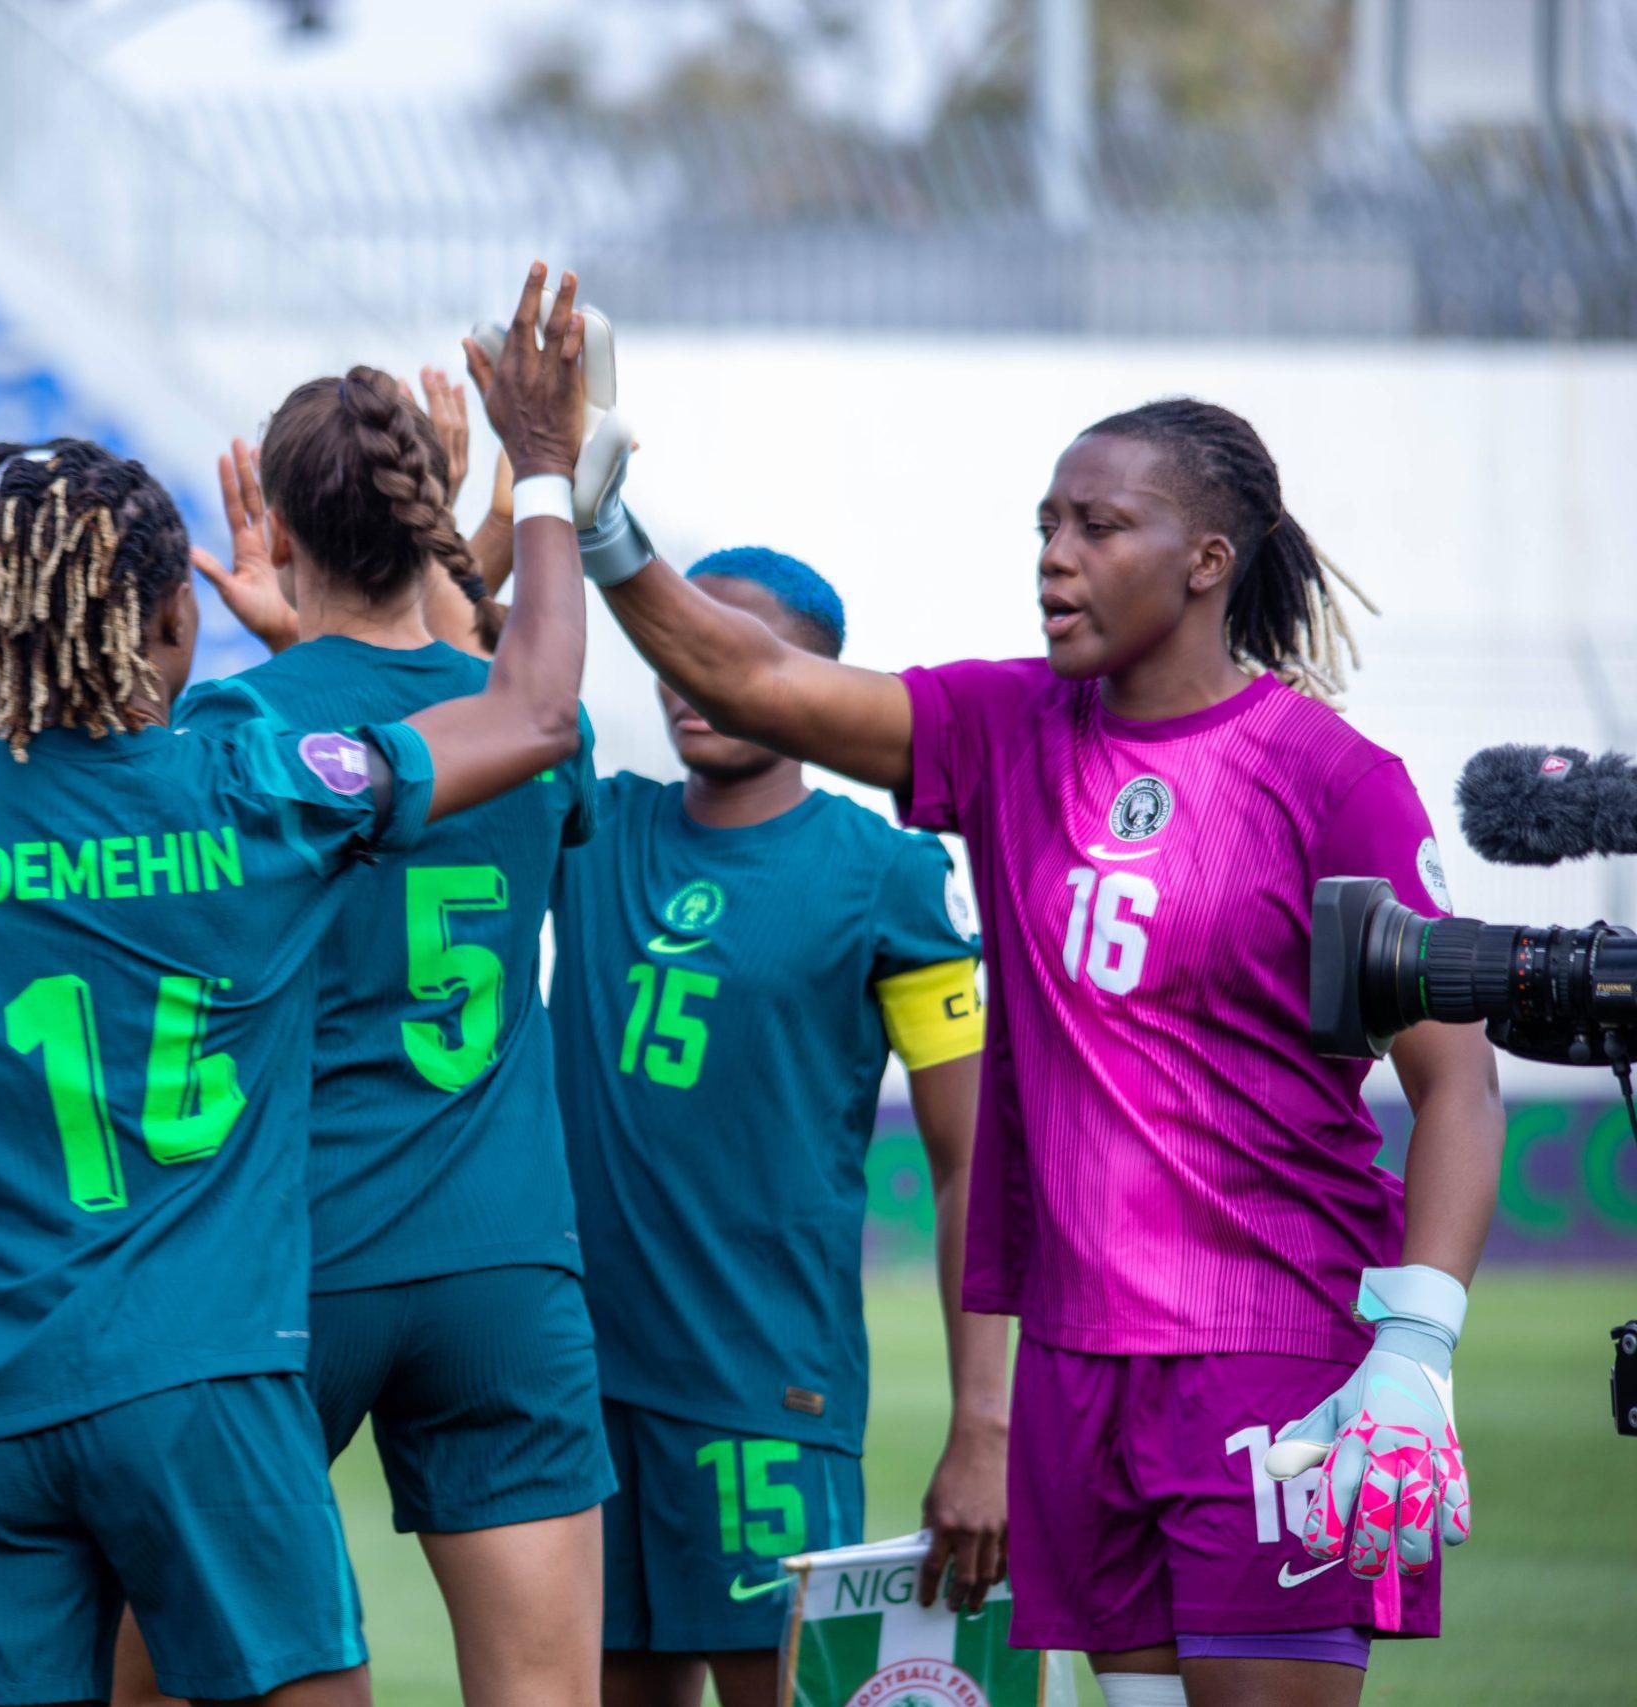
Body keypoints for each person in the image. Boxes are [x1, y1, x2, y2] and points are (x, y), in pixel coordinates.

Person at [0, 262, 596, 1707]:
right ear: (167, 623)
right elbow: (533, 709)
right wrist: (542, 477)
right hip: (206, 1376)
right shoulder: (246, 778)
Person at [580, 399, 1505, 1707]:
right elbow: (757, 682)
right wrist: (606, 528)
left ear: (1206, 561)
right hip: (1078, 1364)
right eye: (1046, 526)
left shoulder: (1333, 777)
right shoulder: (1006, 727)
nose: (1054, 556)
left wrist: (1415, 1345)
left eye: (1099, 525)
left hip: (1273, 1351)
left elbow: (1455, 1079)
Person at [125, 360, 614, 1707]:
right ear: (431, 510)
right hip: (505, 1258)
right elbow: (444, 726)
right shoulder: (533, 729)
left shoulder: (231, 724)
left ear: (275, 527)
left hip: (296, 1253)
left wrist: (288, 656)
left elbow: (305, 796)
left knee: (170, 1677)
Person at [546, 548, 1008, 1707]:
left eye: (735, 654)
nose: (693, 681)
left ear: (810, 681)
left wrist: (983, 1428)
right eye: (673, 651)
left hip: (763, 1400)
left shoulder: (887, 874)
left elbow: (973, 1165)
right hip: (575, 1397)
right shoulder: (594, 827)